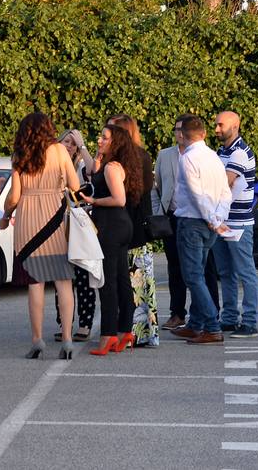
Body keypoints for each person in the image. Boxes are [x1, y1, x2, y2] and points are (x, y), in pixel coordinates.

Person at [0, 113, 81, 359]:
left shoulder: (19, 155)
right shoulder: (59, 151)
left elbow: (14, 196)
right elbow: (75, 185)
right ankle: (67, 338)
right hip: (54, 219)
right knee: (63, 281)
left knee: (35, 284)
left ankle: (37, 339)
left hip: (28, 221)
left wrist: (6, 214)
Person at [80, 123, 144, 355]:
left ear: (115, 142)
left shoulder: (112, 168)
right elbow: (93, 171)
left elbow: (119, 199)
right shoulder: (111, 165)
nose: (100, 140)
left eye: (105, 138)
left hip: (112, 225)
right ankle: (124, 330)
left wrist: (94, 202)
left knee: (107, 281)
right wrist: (97, 156)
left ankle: (107, 335)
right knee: (120, 280)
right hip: (119, 225)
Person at [172, 114, 233, 345]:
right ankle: (196, 324)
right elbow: (225, 191)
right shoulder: (213, 157)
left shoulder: (187, 159)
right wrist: (218, 217)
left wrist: (212, 219)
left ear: (182, 135)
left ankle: (211, 326)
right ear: (204, 134)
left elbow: (197, 195)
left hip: (193, 223)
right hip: (208, 223)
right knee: (198, 273)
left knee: (193, 276)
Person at [108, 114, 160, 347]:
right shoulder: (143, 157)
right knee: (139, 285)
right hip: (139, 228)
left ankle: (126, 331)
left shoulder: (122, 162)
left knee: (126, 283)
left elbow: (129, 196)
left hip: (126, 227)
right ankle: (140, 332)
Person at [214, 110, 258, 338]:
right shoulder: (223, 150)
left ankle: (250, 322)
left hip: (239, 223)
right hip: (224, 220)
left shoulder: (240, 152)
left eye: (221, 125)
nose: (217, 129)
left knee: (244, 272)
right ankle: (229, 318)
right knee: (226, 272)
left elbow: (225, 182)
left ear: (235, 125)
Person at [54, 129, 96, 341]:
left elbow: (93, 171)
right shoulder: (53, 166)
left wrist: (82, 146)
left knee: (83, 276)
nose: (69, 146)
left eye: (73, 143)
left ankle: (85, 323)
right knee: (61, 276)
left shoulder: (80, 166)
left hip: (80, 227)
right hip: (58, 226)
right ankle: (64, 323)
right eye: (66, 142)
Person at [154, 127, 186, 330]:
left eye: (184, 130)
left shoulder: (204, 155)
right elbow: (157, 184)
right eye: (176, 130)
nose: (180, 134)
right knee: (174, 266)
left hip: (194, 217)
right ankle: (177, 313)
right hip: (171, 216)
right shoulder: (165, 154)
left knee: (201, 268)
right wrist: (159, 212)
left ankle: (210, 313)